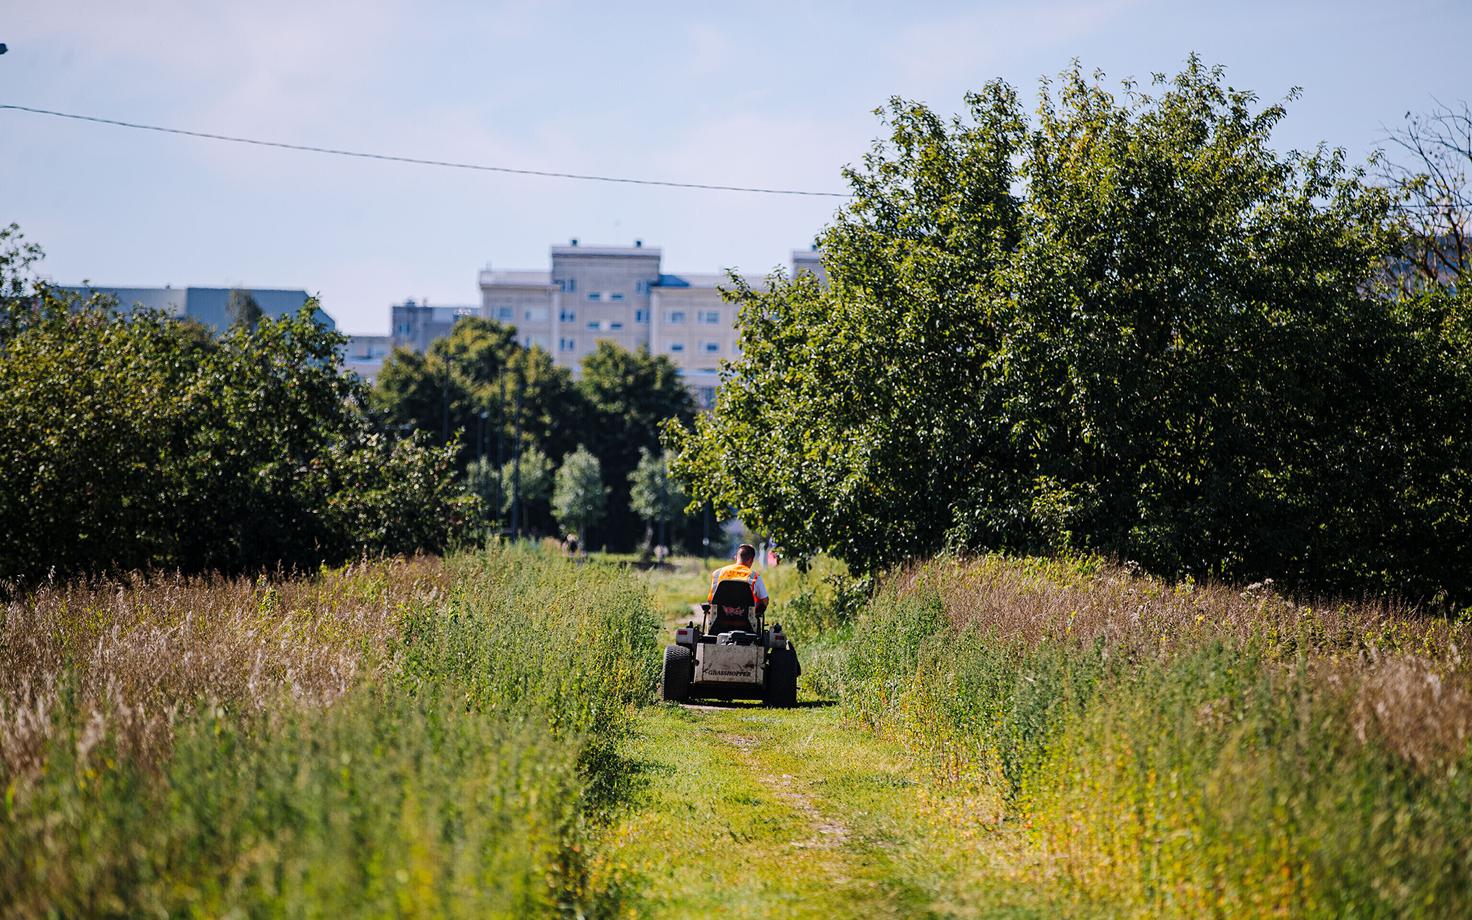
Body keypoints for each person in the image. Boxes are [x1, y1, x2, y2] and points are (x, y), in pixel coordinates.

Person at [706, 543, 769, 633]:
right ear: (751, 560)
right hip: (747, 625)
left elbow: (710, 600)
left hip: (719, 623)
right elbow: (765, 601)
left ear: (736, 558)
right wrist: (757, 611)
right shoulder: (754, 576)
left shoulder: (717, 573)